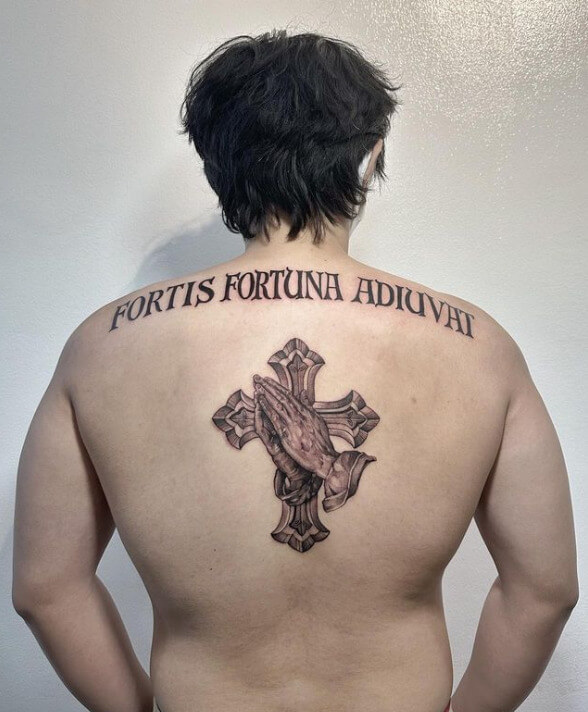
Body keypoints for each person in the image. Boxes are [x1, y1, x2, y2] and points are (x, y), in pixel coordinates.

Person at [12, 29, 578, 712]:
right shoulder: (479, 347)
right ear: (371, 157)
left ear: (216, 163)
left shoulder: (101, 348)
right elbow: (545, 591)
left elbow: (45, 589)